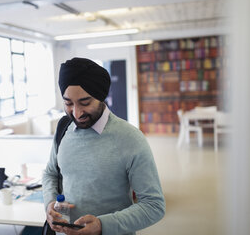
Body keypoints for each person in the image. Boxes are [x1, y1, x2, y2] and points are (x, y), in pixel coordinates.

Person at [42, 57, 165, 235]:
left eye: (85, 103)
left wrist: (103, 225)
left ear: (101, 97)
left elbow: (154, 206)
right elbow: (50, 173)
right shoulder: (63, 128)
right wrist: (50, 203)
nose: (76, 113)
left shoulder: (131, 139)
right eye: (68, 103)